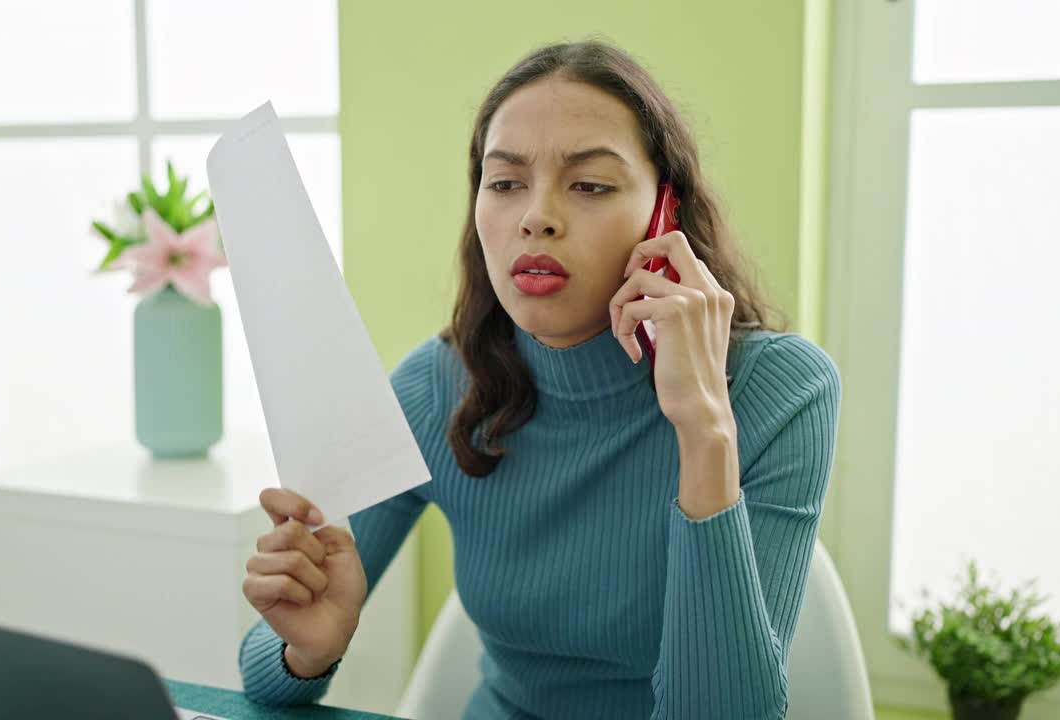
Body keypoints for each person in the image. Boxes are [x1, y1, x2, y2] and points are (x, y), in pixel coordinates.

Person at [238, 39, 840, 720]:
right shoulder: (439, 385)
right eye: (505, 182)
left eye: (589, 184)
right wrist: (307, 650)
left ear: (664, 216)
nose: (536, 215)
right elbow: (264, 676)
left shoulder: (782, 390)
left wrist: (704, 427)